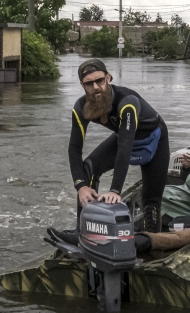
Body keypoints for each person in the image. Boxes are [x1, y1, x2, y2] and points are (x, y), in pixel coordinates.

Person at [65, 58, 170, 232]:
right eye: (89, 83)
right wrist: (81, 186)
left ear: (109, 78)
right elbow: (74, 148)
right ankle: (83, 232)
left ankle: (152, 242)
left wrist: (115, 190)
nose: (96, 87)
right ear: (82, 86)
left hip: (154, 138)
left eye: (100, 80)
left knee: (151, 199)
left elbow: (125, 146)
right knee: (89, 168)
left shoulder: (126, 101)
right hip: (124, 136)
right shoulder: (80, 108)